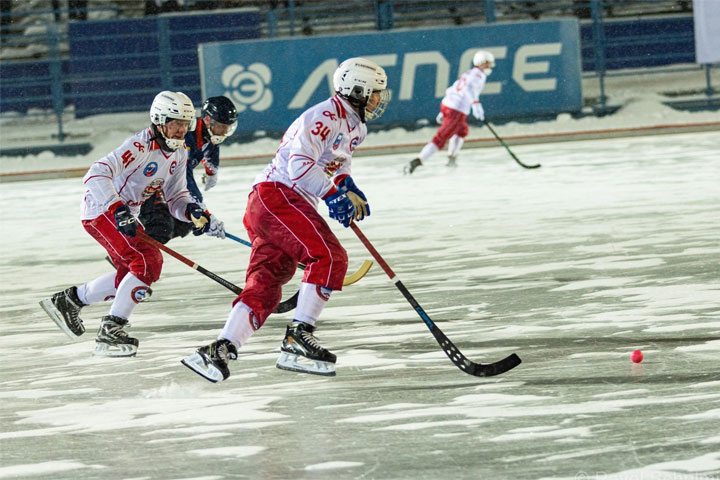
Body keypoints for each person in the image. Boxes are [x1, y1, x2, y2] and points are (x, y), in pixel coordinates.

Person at [182, 57, 390, 382]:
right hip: (277, 197)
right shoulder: (323, 116)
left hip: (273, 204)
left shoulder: (355, 125)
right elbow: (300, 167)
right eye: (376, 92)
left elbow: (339, 160)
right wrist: (333, 195)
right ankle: (298, 337)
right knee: (330, 257)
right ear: (357, 89)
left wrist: (347, 184)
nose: (380, 99)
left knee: (266, 285)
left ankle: (220, 349)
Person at [39, 91, 212, 357]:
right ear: (159, 120)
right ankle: (111, 331)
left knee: (130, 274)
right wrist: (118, 210)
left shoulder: (179, 154)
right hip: (102, 210)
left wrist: (191, 211)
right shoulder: (139, 147)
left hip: (125, 213)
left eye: (185, 124)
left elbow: (177, 196)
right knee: (147, 262)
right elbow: (95, 173)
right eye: (175, 122)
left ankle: (71, 300)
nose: (181, 130)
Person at [138, 96, 238, 244]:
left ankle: (136, 249)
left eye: (228, 127)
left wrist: (212, 173)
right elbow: (184, 178)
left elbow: (211, 152)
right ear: (208, 121)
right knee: (162, 228)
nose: (225, 132)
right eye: (222, 127)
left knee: (184, 224)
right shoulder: (184, 137)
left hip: (164, 183)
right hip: (146, 182)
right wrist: (205, 213)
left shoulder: (209, 136)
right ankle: (129, 255)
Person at [404, 50, 495, 174]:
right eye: (488, 63)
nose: (490, 66)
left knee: (462, 130)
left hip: (448, 104)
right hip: (456, 109)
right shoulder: (479, 75)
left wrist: (444, 111)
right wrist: (475, 104)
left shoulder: (470, 73)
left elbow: (454, 87)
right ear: (482, 63)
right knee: (441, 137)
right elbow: (468, 88)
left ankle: (452, 158)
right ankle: (418, 161)